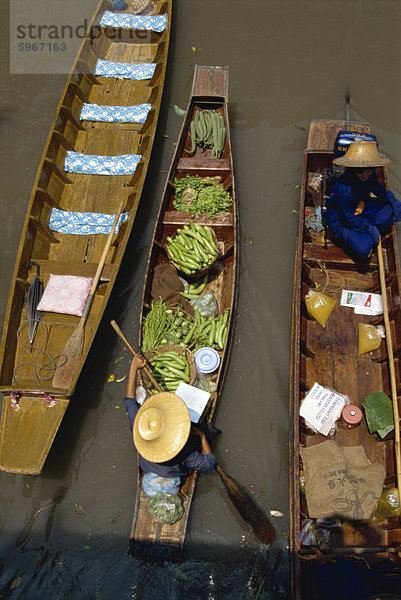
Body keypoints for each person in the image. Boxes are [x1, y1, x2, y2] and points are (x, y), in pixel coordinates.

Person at [123, 354, 216, 479]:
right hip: (173, 474)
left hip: (147, 467)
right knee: (206, 430)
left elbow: (129, 401)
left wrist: (133, 367)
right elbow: (209, 463)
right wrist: (202, 436)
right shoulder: (183, 453)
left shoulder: (140, 424)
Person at [325, 139, 401, 258]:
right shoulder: (344, 189)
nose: (365, 175)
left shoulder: (372, 175)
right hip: (342, 220)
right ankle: (367, 228)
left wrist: (390, 199)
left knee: (395, 210)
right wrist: (368, 227)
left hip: (360, 206)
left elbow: (377, 189)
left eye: (368, 171)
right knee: (365, 251)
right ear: (353, 170)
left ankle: (367, 227)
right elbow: (347, 219)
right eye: (360, 172)